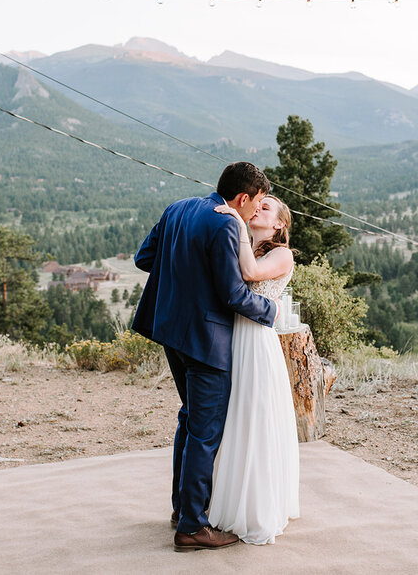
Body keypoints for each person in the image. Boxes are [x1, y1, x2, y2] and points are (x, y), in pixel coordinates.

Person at [132, 162, 279, 552]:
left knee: (188, 418)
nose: (255, 212)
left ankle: (182, 510)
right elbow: (233, 295)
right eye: (258, 203)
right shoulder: (228, 224)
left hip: (170, 332)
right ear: (243, 197)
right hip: (206, 341)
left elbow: (144, 259)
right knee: (205, 431)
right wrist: (272, 313)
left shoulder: (177, 208)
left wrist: (185, 274)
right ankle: (193, 527)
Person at [209, 194, 300, 545]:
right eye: (257, 206)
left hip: (257, 343)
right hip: (231, 339)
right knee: (234, 418)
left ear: (278, 224)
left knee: (255, 418)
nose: (258, 210)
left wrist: (235, 219)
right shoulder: (241, 243)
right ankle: (228, 501)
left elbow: (251, 274)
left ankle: (256, 509)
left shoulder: (282, 254)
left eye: (267, 208)